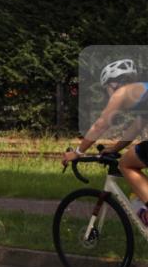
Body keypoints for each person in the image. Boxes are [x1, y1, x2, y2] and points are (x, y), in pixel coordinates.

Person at [62, 59, 148, 227]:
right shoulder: (142, 91)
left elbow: (100, 125)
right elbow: (134, 129)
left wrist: (77, 152)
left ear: (113, 83)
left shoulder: (121, 93)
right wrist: (115, 148)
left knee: (126, 164)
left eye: (106, 88)